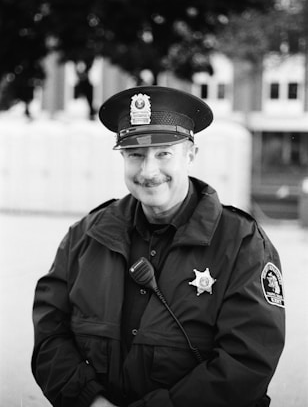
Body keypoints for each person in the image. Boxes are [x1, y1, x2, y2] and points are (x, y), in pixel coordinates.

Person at [32, 85, 285, 407]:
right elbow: (49, 333)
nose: (149, 172)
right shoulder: (85, 235)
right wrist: (90, 401)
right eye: (135, 155)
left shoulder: (242, 244)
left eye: (164, 153)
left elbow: (247, 361)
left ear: (191, 155)